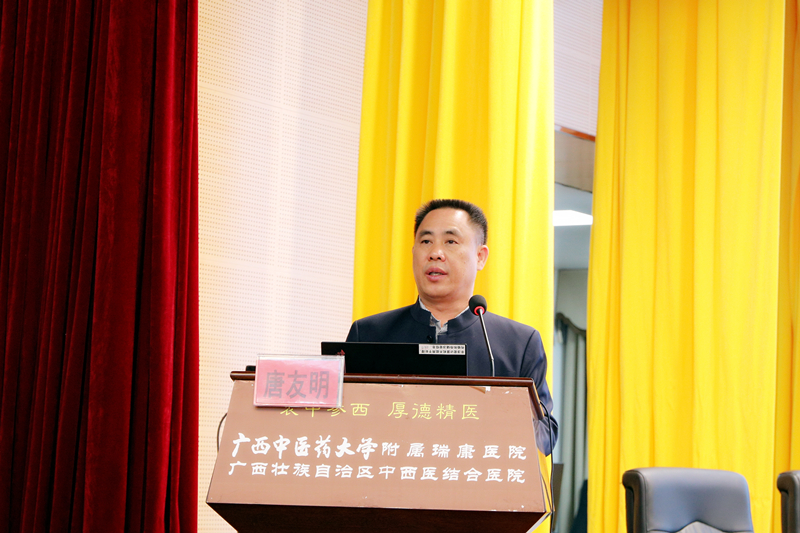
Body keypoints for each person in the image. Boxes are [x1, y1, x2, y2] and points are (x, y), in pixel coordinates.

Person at [346, 199, 558, 455]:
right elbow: (341, 421)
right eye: (426, 241)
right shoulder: (369, 334)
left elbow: (546, 435)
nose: (435, 252)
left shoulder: (519, 343)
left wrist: (504, 415)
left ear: (480, 257)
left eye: (450, 241)